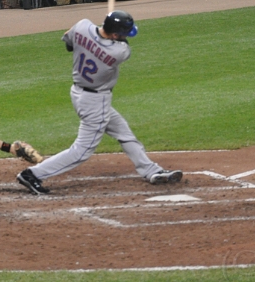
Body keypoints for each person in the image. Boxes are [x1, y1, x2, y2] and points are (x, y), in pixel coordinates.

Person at [17, 11, 183, 195]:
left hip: (78, 92)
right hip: (96, 101)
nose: (127, 36)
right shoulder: (119, 51)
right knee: (82, 151)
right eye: (124, 33)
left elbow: (69, 43)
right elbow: (122, 44)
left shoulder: (82, 26)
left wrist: (94, 35)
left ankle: (151, 170)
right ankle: (32, 174)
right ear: (115, 35)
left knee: (124, 133)